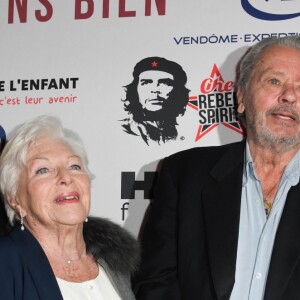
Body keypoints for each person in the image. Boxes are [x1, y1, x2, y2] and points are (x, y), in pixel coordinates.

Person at [133, 35, 300, 299]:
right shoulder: (185, 174)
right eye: (274, 81)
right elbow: (155, 282)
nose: (289, 95)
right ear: (242, 97)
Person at [0, 115, 140, 300]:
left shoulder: (114, 263)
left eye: (74, 166)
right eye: (43, 170)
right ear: (15, 199)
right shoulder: (5, 263)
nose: (66, 177)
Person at [120, 56, 190, 145]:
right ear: (135, 90)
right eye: (146, 83)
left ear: (177, 91)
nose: (155, 89)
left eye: (165, 83)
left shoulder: (181, 131)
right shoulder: (126, 130)